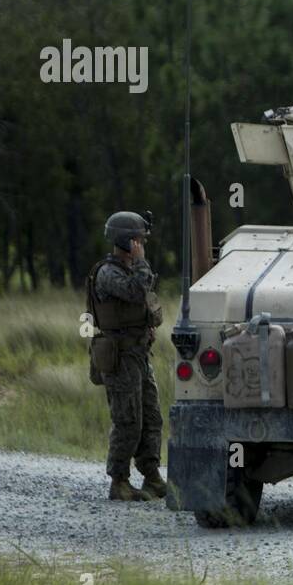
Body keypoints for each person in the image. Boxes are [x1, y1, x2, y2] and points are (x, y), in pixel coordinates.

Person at [88, 212, 166, 502]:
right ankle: (119, 480)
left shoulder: (127, 269)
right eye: (138, 239)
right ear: (127, 240)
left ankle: (152, 476)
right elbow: (136, 291)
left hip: (138, 354)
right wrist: (142, 261)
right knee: (128, 419)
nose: (141, 244)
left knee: (151, 417)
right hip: (121, 358)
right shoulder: (109, 273)